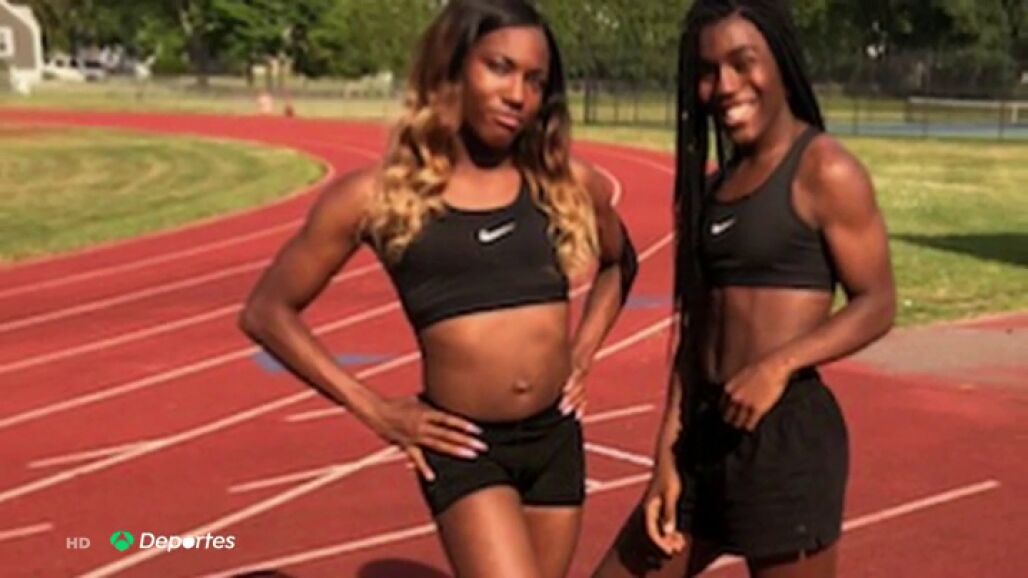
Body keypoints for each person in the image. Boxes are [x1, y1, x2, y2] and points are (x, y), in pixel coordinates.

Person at [239, 1, 638, 577]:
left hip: (555, 438)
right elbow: (267, 311)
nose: (518, 94)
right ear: (452, 67)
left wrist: (582, 353)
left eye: (534, 80)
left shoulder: (566, 183)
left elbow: (620, 265)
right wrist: (376, 410)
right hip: (464, 447)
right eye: (499, 68)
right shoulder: (377, 197)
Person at [591, 1, 896, 577]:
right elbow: (695, 333)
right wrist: (665, 456)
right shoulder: (714, 187)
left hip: (783, 438)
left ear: (779, 61)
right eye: (708, 71)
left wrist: (777, 366)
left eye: (742, 62)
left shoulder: (824, 170)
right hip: (703, 435)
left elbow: (877, 302)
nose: (725, 85)